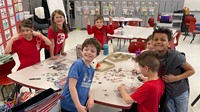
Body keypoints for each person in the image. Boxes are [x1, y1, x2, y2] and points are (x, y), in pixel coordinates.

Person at [5, 19, 52, 100]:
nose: (25, 33)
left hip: (36, 69)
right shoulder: (18, 41)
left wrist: (40, 35)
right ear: (20, 31)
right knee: (17, 89)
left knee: (39, 86)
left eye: (27, 30)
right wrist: (12, 39)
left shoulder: (37, 39)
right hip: (23, 70)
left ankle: (40, 98)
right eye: (23, 31)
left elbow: (49, 43)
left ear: (32, 29)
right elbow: (7, 51)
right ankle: (11, 99)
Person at [152, 28, 195, 112]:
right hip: (166, 92)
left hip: (180, 91)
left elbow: (191, 70)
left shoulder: (176, 56)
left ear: (169, 44)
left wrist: (175, 78)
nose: (159, 42)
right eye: (156, 39)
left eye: (163, 40)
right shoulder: (152, 56)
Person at [61, 38, 102, 112]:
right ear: (82, 50)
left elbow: (87, 86)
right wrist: (78, 106)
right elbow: (72, 86)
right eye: (86, 49)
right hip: (70, 105)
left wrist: (91, 98)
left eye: (92, 51)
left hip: (81, 104)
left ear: (97, 55)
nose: (88, 52)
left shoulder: (92, 70)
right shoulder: (78, 64)